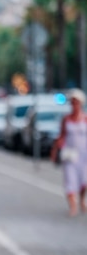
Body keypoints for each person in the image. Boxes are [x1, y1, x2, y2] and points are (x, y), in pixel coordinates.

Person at [50, 88, 87, 216]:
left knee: (84, 181)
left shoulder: (85, 119)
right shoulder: (66, 119)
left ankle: (82, 199)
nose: (74, 105)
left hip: (84, 155)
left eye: (76, 102)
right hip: (70, 154)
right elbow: (61, 135)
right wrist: (55, 150)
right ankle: (73, 206)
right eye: (72, 102)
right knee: (70, 181)